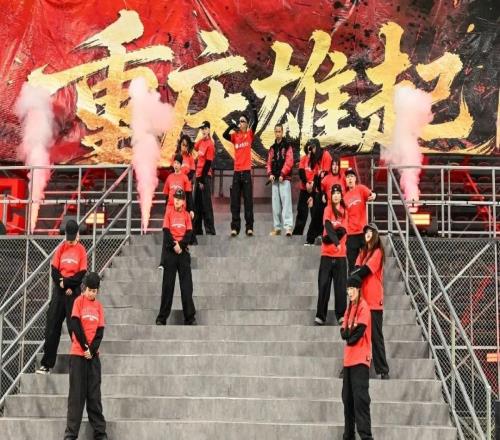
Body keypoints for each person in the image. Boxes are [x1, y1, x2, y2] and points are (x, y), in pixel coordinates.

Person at [36, 220, 87, 375]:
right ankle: (46, 364)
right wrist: (62, 284)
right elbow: (54, 271)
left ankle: (80, 363)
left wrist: (68, 284)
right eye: (68, 237)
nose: (70, 240)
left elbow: (81, 274)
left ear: (77, 234)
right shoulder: (61, 249)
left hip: (73, 292)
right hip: (59, 292)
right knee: (52, 326)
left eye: (73, 237)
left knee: (74, 327)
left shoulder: (81, 250)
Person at [64, 272, 107, 440]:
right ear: (84, 288)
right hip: (78, 355)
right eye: (89, 290)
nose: (91, 293)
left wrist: (92, 350)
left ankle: (100, 433)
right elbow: (75, 325)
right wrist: (85, 347)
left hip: (93, 357)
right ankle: (70, 435)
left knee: (94, 396)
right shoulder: (78, 302)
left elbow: (100, 332)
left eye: (94, 291)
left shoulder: (99, 307)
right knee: (76, 396)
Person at [352, 223, 390, 380]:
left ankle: (383, 370)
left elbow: (364, 271)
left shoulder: (378, 252)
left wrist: (354, 274)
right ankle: (354, 367)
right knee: (357, 334)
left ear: (375, 235)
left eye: (370, 231)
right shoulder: (363, 252)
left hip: (373, 301)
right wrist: (355, 274)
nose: (367, 233)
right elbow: (355, 268)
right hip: (362, 301)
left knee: (375, 336)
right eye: (366, 231)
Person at [156, 189, 196, 325]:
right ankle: (162, 318)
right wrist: (174, 245)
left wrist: (181, 245)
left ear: (183, 201)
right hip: (170, 253)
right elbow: (166, 232)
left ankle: (190, 318)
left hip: (183, 253)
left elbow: (189, 233)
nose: (177, 201)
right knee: (167, 286)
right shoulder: (169, 213)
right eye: (175, 198)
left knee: (187, 286)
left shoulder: (186, 215)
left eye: (179, 199)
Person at [340, 275, 373, 440]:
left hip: (360, 359)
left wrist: (349, 333)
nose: (349, 292)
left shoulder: (363, 307)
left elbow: (356, 335)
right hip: (348, 360)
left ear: (358, 289)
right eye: (348, 289)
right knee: (347, 399)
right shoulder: (349, 308)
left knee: (360, 400)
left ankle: (366, 436)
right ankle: (349, 435)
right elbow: (343, 333)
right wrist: (348, 333)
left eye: (352, 288)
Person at [315, 184, 348, 326]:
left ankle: (341, 315)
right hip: (326, 255)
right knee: (323, 285)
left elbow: (342, 231)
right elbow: (328, 227)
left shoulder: (345, 211)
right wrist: (333, 239)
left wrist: (328, 239)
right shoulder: (327, 209)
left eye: (338, 193)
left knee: (340, 287)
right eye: (333, 193)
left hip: (340, 256)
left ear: (341, 195)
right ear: (331, 195)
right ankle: (320, 315)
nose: (336, 195)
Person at [223, 107, 258, 237]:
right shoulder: (235, 136)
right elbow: (224, 135)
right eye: (239, 121)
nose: (240, 123)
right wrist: (231, 127)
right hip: (237, 173)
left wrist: (254, 110)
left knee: (248, 202)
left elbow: (256, 122)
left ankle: (249, 227)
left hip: (247, 173)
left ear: (247, 124)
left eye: (243, 121)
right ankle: (235, 228)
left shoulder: (249, 135)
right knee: (235, 202)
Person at [159, 154, 194, 268]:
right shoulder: (169, 178)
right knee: (167, 235)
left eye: (178, 163)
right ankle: (163, 262)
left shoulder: (184, 178)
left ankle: (183, 257)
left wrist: (191, 209)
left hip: (181, 210)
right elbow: (166, 195)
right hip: (170, 209)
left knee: (181, 232)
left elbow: (188, 194)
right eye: (175, 163)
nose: (176, 165)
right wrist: (166, 209)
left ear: (181, 165)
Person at [343, 168, 376, 272]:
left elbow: (371, 194)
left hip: (362, 232)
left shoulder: (361, 189)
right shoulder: (344, 197)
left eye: (351, 176)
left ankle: (365, 282)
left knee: (366, 262)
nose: (350, 179)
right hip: (351, 234)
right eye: (347, 177)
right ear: (345, 180)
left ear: (355, 178)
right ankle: (352, 282)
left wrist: (374, 195)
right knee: (352, 264)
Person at [266, 123, 294, 236]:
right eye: (276, 131)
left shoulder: (287, 146)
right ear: (274, 132)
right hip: (275, 180)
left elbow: (289, 161)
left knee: (286, 204)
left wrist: (283, 173)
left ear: (282, 132)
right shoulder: (272, 148)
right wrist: (270, 174)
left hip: (284, 178)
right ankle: (277, 228)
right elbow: (268, 163)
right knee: (275, 205)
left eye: (279, 131)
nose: (278, 133)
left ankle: (288, 227)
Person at [304, 138, 332, 245]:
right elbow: (316, 177)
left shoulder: (326, 155)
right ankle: (315, 236)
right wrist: (312, 195)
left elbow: (326, 176)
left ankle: (315, 237)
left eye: (313, 147)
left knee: (321, 215)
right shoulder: (315, 158)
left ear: (318, 146)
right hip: (318, 191)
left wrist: (323, 193)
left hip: (326, 191)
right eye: (311, 147)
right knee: (316, 214)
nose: (312, 149)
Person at [194, 121, 216, 236]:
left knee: (206, 204)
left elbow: (208, 163)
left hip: (205, 177)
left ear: (209, 129)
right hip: (198, 176)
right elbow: (195, 147)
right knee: (197, 204)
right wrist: (202, 137)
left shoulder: (210, 144)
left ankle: (210, 231)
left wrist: (202, 180)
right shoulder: (201, 142)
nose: (203, 130)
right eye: (202, 128)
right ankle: (197, 230)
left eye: (205, 128)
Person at [292, 143, 314, 235]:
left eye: (312, 148)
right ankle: (297, 234)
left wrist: (313, 184)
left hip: (314, 190)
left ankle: (315, 234)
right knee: (301, 212)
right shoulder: (303, 158)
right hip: (304, 189)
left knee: (315, 213)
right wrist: (306, 184)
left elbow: (318, 173)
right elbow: (301, 172)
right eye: (309, 148)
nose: (310, 149)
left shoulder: (317, 160)